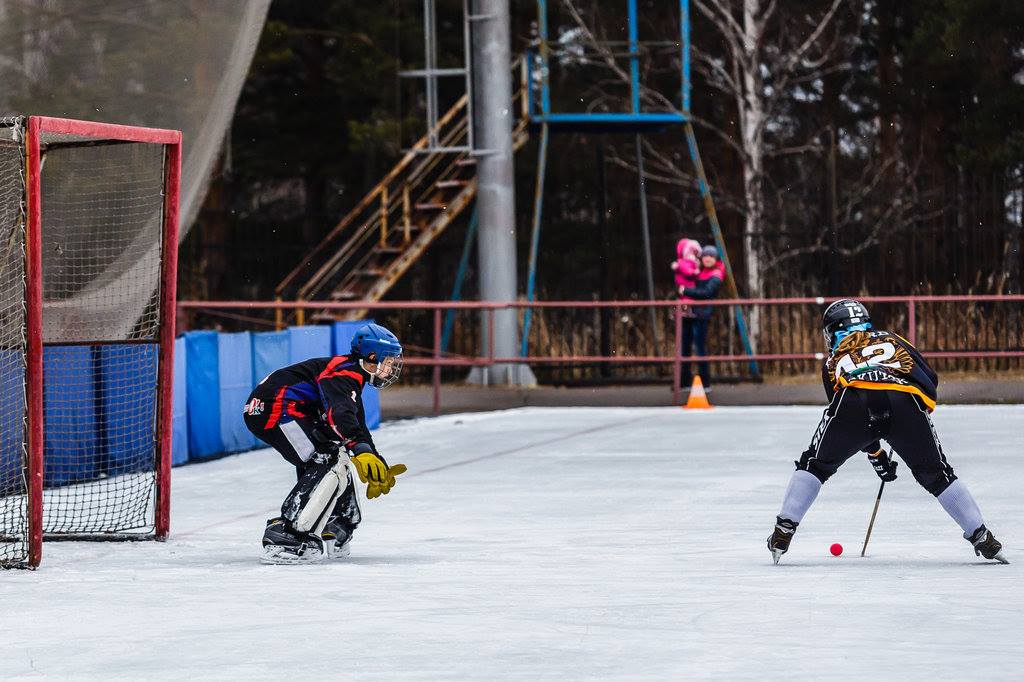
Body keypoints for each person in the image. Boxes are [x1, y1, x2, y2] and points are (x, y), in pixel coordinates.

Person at [767, 299, 1007, 565]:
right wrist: (902, 428)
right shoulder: (894, 339)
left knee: (815, 465)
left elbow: (846, 415)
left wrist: (875, 452)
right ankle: (982, 536)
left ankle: (784, 530)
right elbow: (928, 376)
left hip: (853, 398)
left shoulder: (832, 361)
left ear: (832, 331)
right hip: (905, 399)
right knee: (938, 476)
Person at [243, 322, 408, 564]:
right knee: (326, 458)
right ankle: (287, 534)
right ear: (372, 357)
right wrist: (359, 449)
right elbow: (339, 415)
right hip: (275, 410)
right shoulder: (344, 373)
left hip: (284, 410)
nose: (392, 367)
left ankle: (337, 521)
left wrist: (370, 454)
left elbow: (355, 422)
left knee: (331, 451)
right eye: (389, 360)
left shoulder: (350, 374)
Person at [679, 245, 725, 387]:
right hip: (690, 312)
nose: (707, 258)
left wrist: (685, 291)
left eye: (711, 256)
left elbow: (706, 293)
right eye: (705, 256)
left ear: (716, 258)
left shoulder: (716, 275)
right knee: (685, 347)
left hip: (702, 314)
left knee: (699, 347)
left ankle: (705, 382)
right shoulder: (700, 272)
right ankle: (684, 380)